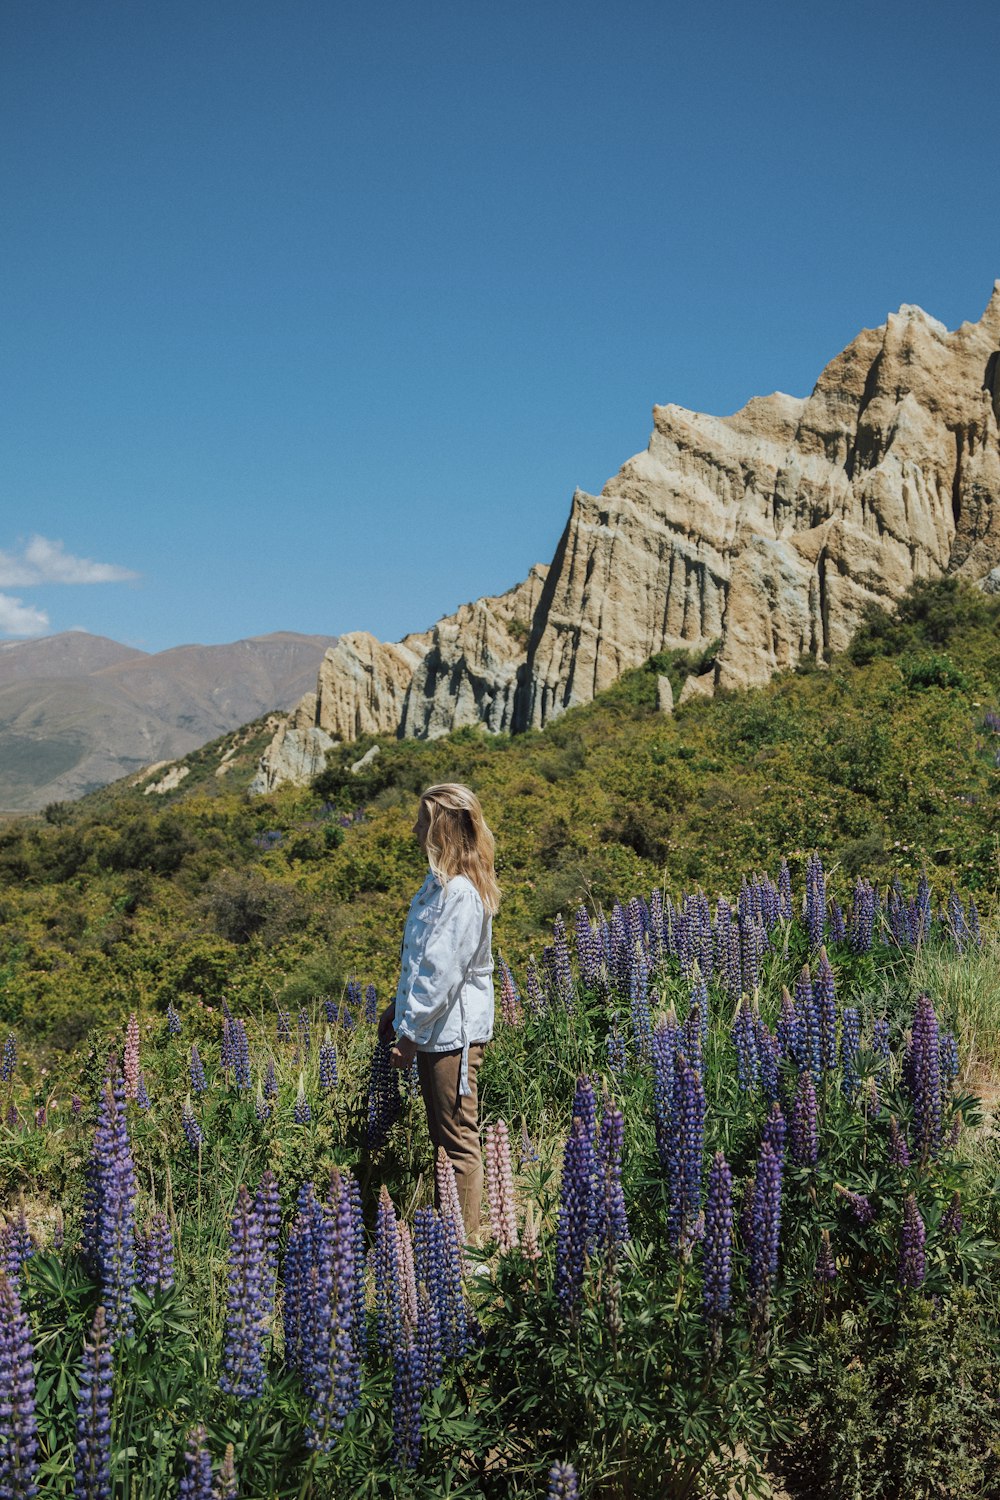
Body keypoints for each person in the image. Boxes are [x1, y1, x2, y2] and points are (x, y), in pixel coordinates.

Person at [378, 783, 499, 1239]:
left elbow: (444, 975)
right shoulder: (438, 886)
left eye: (422, 821)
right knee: (443, 1141)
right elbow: (422, 960)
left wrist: (408, 1034)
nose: (414, 829)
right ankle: (450, 1234)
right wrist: (398, 1007)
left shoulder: (462, 895)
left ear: (442, 831)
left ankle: (464, 1248)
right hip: (433, 1029)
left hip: (452, 1035)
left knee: (457, 1140)